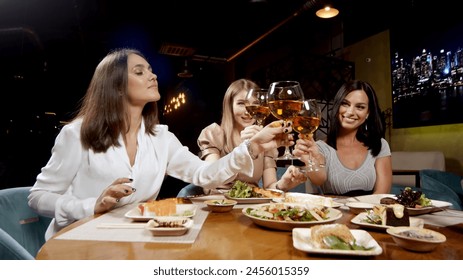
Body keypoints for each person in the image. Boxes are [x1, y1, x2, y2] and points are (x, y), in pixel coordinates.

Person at [27, 48, 290, 239]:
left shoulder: (161, 137)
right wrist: (92, 204)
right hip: (79, 244)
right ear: (116, 86)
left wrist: (252, 146)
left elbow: (204, 175)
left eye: (151, 70)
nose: (152, 76)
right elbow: (38, 198)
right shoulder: (77, 134)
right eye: (139, 72)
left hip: (135, 241)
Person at [177, 79, 306, 197]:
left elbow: (269, 188)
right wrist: (247, 148)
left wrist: (283, 184)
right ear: (229, 106)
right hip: (218, 203)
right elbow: (211, 178)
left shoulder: (266, 140)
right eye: (241, 103)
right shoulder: (214, 133)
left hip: (250, 205)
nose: (248, 111)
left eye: (254, 104)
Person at [293, 80, 392, 195]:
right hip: (335, 212)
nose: (350, 112)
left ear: (368, 113)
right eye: (345, 104)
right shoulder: (320, 147)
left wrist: (364, 213)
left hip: (370, 211)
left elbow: (382, 193)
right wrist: (309, 160)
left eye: (360, 107)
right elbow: (318, 180)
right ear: (337, 105)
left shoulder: (379, 144)